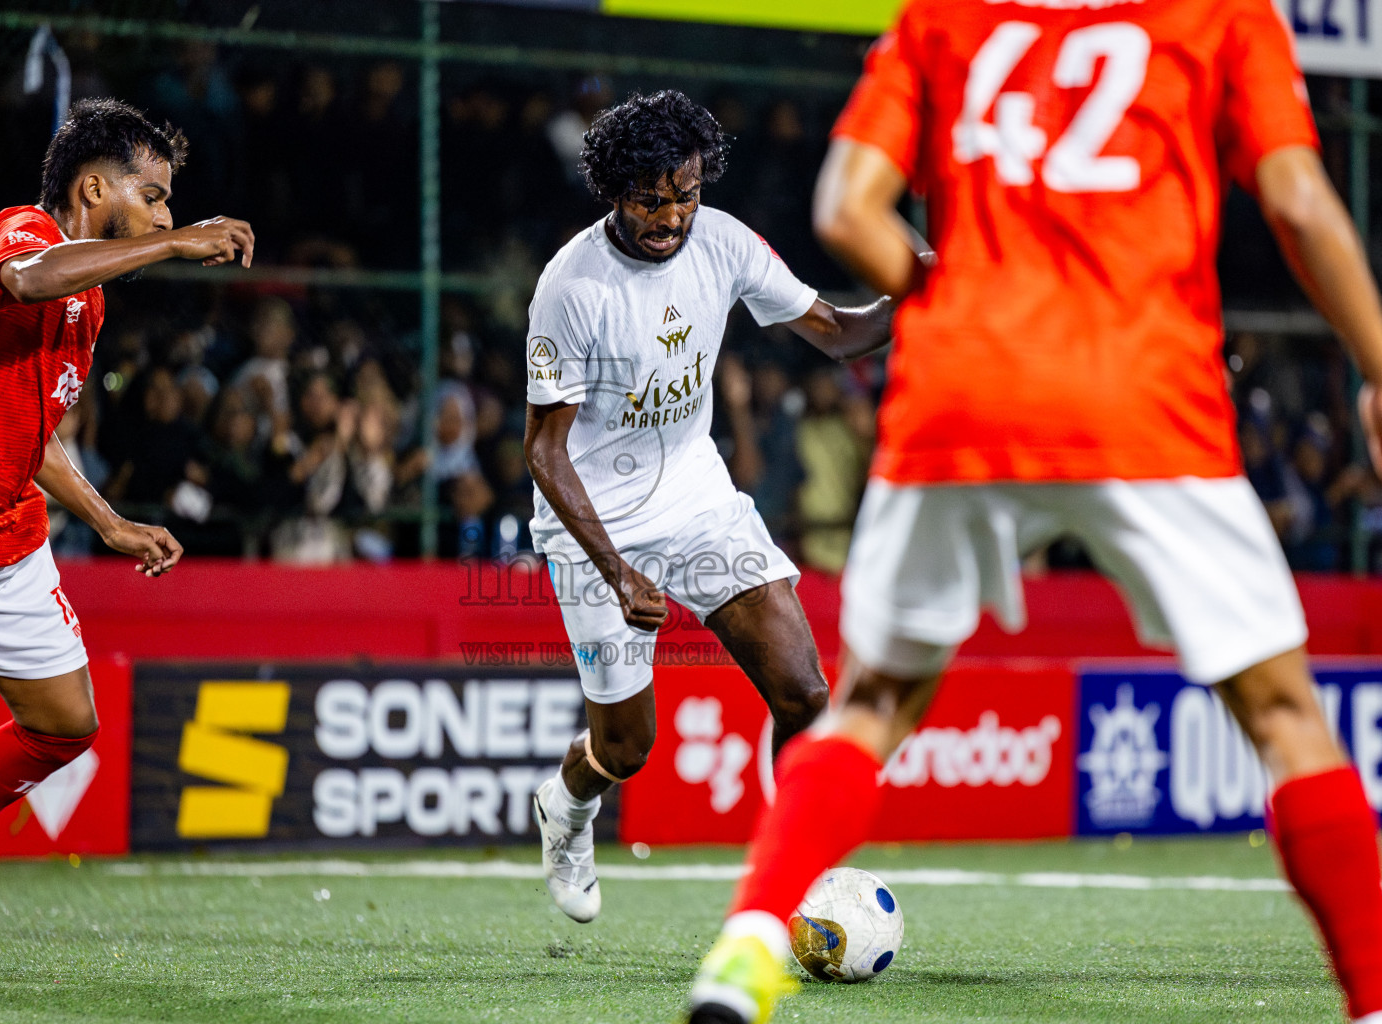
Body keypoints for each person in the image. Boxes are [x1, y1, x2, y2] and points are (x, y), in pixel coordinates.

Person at [685, 1, 1382, 1021]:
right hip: (1144, 396)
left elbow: (844, 211)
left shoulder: (943, 20)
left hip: (963, 396)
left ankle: (748, 942)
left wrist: (964, 301)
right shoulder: (1222, 15)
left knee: (872, 706)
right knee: (1284, 717)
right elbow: (1301, 203)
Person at [0, 97, 254, 979]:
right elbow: (29, 280)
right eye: (154, 197)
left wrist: (108, 521)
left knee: (64, 725)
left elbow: (33, 433)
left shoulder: (89, 302)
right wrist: (176, 247)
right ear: (94, 188)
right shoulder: (21, 234)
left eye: (171, 207)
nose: (167, 217)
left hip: (5, 527)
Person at [523, 90, 901, 924]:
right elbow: (544, 451)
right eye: (650, 199)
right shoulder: (571, 286)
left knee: (805, 695)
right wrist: (617, 571)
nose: (671, 216)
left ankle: (795, 880)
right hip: (595, 526)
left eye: (686, 195)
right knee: (628, 747)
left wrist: (922, 289)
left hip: (696, 498)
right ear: (613, 189)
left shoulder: (723, 241)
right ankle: (567, 804)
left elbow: (839, 332)